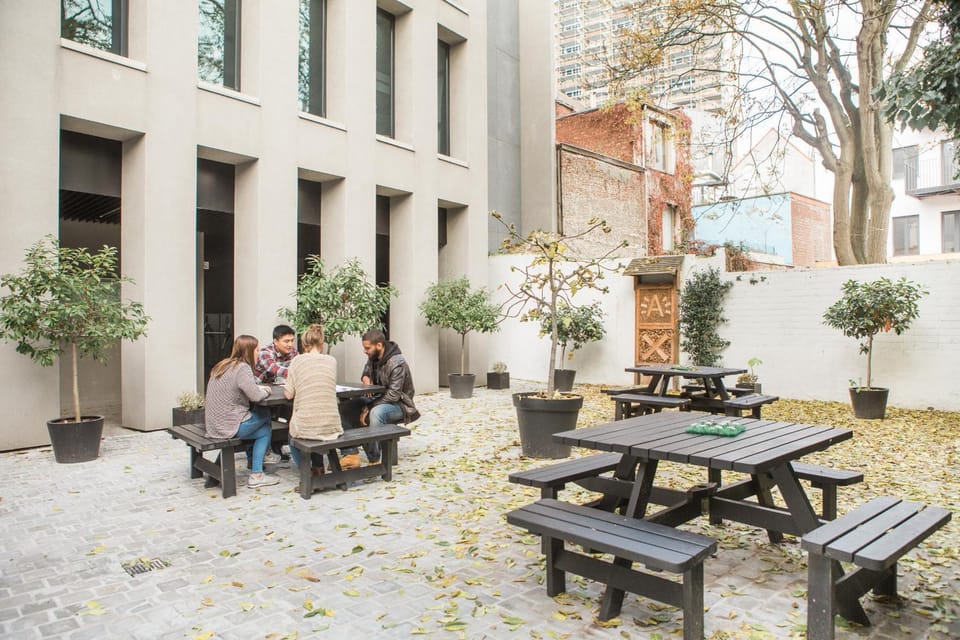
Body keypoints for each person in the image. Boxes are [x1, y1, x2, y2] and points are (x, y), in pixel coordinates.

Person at [283, 324, 363, 470]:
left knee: (291, 436)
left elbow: (289, 394)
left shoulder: (296, 361)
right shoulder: (331, 361)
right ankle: (319, 467)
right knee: (317, 423)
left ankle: (309, 472)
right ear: (322, 343)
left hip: (305, 426)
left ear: (303, 344)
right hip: (331, 426)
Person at [204, 334, 279, 488]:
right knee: (265, 421)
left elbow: (239, 388)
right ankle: (258, 470)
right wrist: (267, 391)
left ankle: (257, 461)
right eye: (257, 350)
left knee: (261, 424)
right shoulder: (242, 368)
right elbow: (256, 396)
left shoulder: (223, 365)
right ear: (248, 351)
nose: (258, 353)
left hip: (213, 425)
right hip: (229, 426)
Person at [355, 329, 420, 464]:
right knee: (349, 406)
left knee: (376, 413)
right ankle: (349, 454)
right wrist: (366, 378)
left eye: (367, 348)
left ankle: (375, 459)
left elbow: (394, 395)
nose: (364, 351)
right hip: (379, 399)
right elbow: (366, 371)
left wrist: (369, 406)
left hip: (400, 404)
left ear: (379, 345)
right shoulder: (373, 357)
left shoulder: (397, 363)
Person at [256, 324, 298, 462]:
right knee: (267, 414)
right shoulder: (265, 352)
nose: (290, 344)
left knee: (290, 409)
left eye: (292, 340)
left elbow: (298, 365)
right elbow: (275, 369)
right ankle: (265, 451)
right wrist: (300, 370)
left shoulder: (293, 352)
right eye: (286, 341)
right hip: (258, 389)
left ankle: (278, 445)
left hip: (276, 389)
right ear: (275, 341)